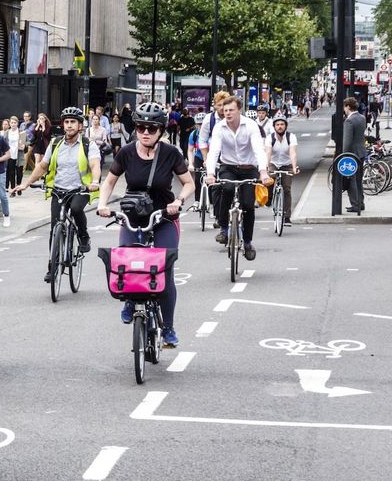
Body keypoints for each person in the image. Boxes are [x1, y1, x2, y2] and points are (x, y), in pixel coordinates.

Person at [96, 101, 195, 348]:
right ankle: (130, 301)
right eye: (141, 127)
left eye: (151, 128)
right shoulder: (126, 152)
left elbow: (189, 183)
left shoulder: (171, 153)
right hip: (133, 217)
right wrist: (102, 204)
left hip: (163, 218)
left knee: (166, 271)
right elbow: (108, 182)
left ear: (161, 130)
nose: (145, 133)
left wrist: (179, 201)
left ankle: (169, 328)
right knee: (126, 264)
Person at [13, 107, 101, 271]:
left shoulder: (89, 145)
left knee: (75, 209)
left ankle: (83, 236)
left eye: (73, 122)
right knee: (55, 228)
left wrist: (95, 181)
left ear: (80, 126)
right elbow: (42, 167)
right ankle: (52, 267)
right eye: (66, 122)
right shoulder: (55, 143)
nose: (69, 125)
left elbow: (95, 165)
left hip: (80, 189)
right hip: (59, 189)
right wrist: (25, 184)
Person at [205, 95, 271, 260]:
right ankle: (223, 230)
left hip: (249, 168)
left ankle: (247, 242)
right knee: (225, 189)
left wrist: (263, 172)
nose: (227, 113)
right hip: (228, 167)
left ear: (239, 110)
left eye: (231, 110)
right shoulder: (219, 128)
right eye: (225, 110)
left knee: (248, 205)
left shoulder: (250, 126)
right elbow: (213, 152)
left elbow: (258, 150)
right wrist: (210, 173)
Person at [265, 116, 299, 221]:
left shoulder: (291, 137)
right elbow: (268, 153)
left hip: (287, 164)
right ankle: (269, 197)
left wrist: (294, 167)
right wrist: (266, 167)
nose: (280, 127)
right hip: (273, 163)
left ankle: (287, 216)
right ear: (274, 127)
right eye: (277, 125)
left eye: (282, 124)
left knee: (287, 189)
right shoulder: (270, 138)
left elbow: (293, 153)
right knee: (269, 181)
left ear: (286, 126)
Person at [342, 97, 367, 213]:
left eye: (344, 107)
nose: (344, 109)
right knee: (358, 180)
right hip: (361, 152)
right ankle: (361, 202)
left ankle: (355, 205)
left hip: (352, 154)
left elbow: (347, 142)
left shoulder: (349, 121)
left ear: (348, 106)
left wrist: (343, 155)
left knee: (351, 179)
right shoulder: (362, 118)